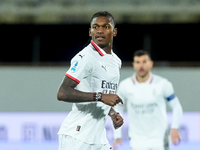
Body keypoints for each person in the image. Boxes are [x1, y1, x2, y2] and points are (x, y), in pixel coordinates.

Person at [57, 11, 124, 150]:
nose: (99, 31)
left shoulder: (116, 61)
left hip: (98, 137)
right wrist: (100, 97)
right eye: (95, 27)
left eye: (105, 27)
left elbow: (100, 92)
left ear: (114, 31)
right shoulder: (86, 57)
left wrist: (112, 113)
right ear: (90, 31)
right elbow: (62, 93)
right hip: (77, 136)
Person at [113, 50, 183, 150]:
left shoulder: (163, 84)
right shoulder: (125, 86)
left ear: (151, 64)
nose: (141, 66)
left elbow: (176, 106)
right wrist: (117, 135)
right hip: (137, 142)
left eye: (144, 62)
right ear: (133, 65)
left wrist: (175, 127)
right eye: (138, 62)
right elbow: (118, 110)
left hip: (160, 141)